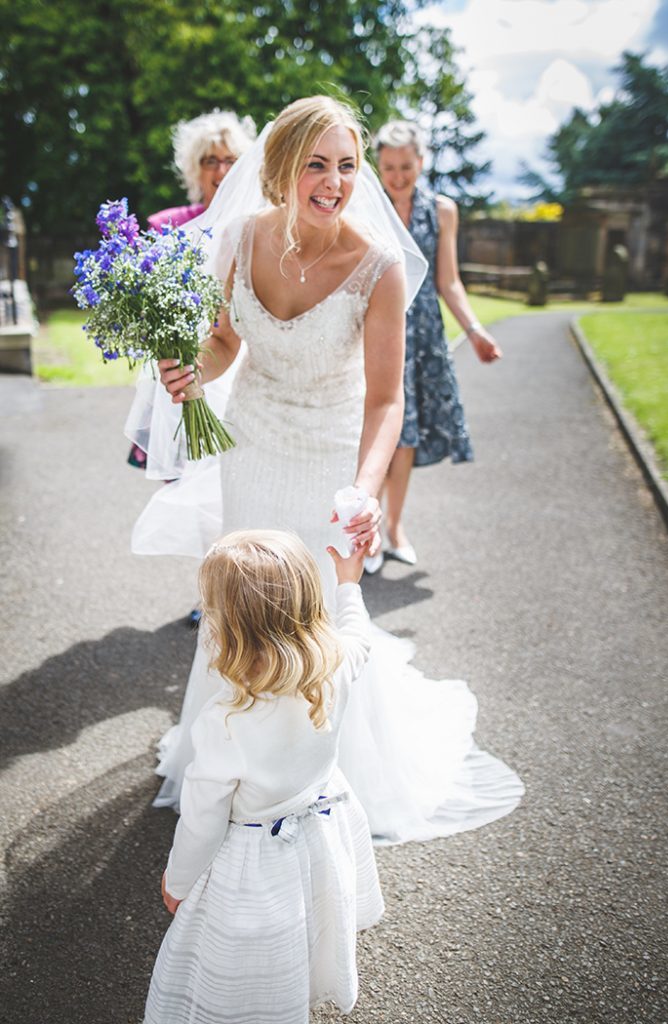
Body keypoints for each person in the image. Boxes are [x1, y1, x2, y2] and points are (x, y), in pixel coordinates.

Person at [137, 94, 523, 844]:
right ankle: (230, 758)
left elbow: (386, 401)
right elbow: (224, 345)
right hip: (250, 447)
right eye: (316, 163)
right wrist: (190, 367)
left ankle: (317, 775)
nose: (335, 180)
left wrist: (364, 491)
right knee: (244, 604)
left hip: (328, 459)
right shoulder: (239, 240)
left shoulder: (376, 266)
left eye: (347, 165)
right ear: (279, 170)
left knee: (315, 617)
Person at [143, 529, 383, 1024]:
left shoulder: (225, 719)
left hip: (254, 857)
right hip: (320, 832)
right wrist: (349, 582)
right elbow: (359, 639)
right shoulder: (333, 665)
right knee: (309, 922)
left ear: (228, 628)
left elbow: (203, 820)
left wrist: (179, 880)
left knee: (248, 957)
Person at [369, 119, 502, 571]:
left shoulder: (442, 210)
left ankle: (394, 528)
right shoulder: (365, 207)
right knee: (375, 433)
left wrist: (474, 329)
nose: (398, 176)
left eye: (406, 166)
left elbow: (449, 281)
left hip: (422, 334)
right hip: (375, 330)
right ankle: (366, 533)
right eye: (389, 167)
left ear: (421, 162)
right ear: (378, 165)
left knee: (406, 436)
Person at [127, 109, 256, 474]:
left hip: (239, 363)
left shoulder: (257, 224)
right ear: (193, 168)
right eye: (210, 160)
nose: (221, 170)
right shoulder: (164, 227)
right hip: (186, 364)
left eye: (230, 159)